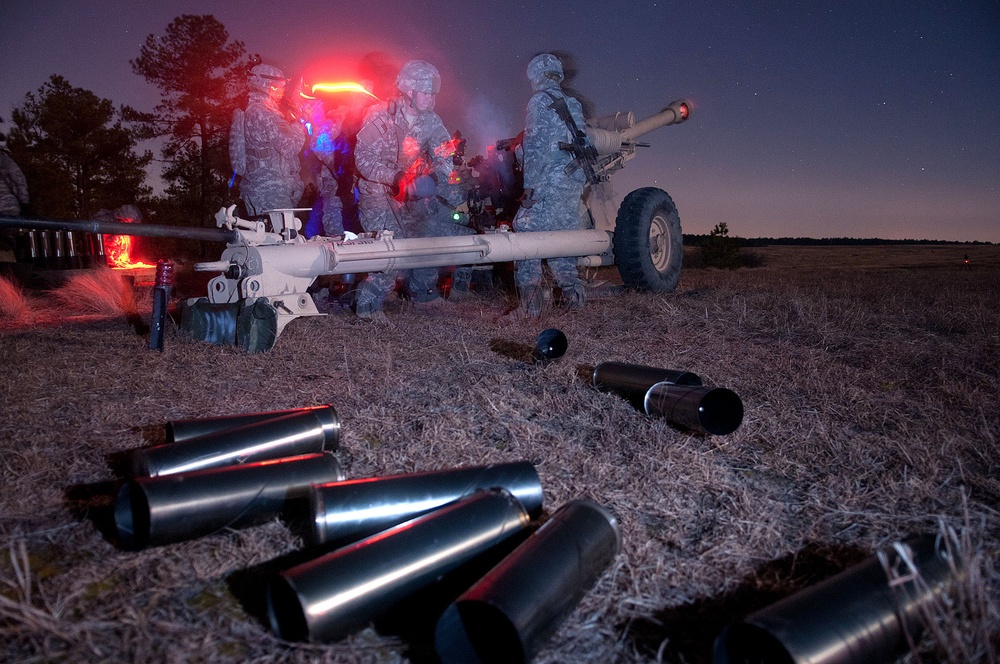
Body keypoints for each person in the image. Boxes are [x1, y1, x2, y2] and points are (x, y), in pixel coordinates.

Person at [352, 59, 459, 319]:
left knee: (428, 235)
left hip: (407, 196)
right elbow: (362, 159)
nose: (432, 99)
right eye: (426, 92)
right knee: (391, 250)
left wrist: (436, 178)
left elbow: (446, 157)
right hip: (377, 193)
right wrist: (396, 176)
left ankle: (422, 295)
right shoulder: (381, 115)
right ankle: (368, 305)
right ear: (409, 91)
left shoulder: (432, 122)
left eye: (434, 93)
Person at [506, 53, 589, 319]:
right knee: (561, 240)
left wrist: (529, 186)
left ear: (535, 76)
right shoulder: (571, 102)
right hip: (571, 181)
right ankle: (574, 300)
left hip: (548, 182)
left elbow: (536, 146)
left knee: (525, 234)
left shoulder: (540, 101)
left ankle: (530, 306)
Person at [231, 62, 306, 218]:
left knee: (277, 238)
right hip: (269, 191)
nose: (282, 91)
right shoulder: (261, 112)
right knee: (281, 239)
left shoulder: (260, 110)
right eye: (281, 87)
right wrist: (299, 123)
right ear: (270, 86)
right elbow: (289, 146)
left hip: (265, 189)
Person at [0, 148, 29, 261]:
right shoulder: (4, 159)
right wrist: (24, 202)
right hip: (7, 207)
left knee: (6, 243)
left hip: (6, 207)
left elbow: (18, 179)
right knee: (7, 243)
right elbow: (19, 179)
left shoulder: (3, 159)